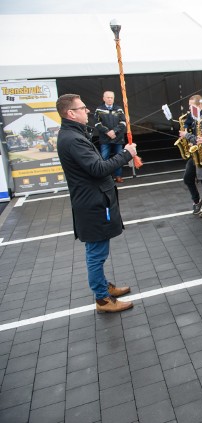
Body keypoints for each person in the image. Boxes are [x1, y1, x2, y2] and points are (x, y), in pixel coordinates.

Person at [56, 94, 136, 312]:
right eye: (82, 108)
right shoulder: (73, 139)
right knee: (96, 253)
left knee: (98, 251)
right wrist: (127, 154)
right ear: (70, 113)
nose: (87, 111)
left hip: (93, 199)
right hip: (92, 203)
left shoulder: (74, 135)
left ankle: (103, 287)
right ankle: (102, 299)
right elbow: (98, 168)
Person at [94, 91, 126, 183]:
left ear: (113, 98)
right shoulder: (99, 109)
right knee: (104, 158)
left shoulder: (119, 109)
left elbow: (123, 122)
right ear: (103, 98)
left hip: (118, 138)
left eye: (111, 97)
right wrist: (107, 132)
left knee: (119, 158)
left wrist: (114, 131)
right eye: (108, 97)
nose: (109, 99)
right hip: (105, 138)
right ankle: (106, 177)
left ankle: (118, 176)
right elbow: (97, 123)